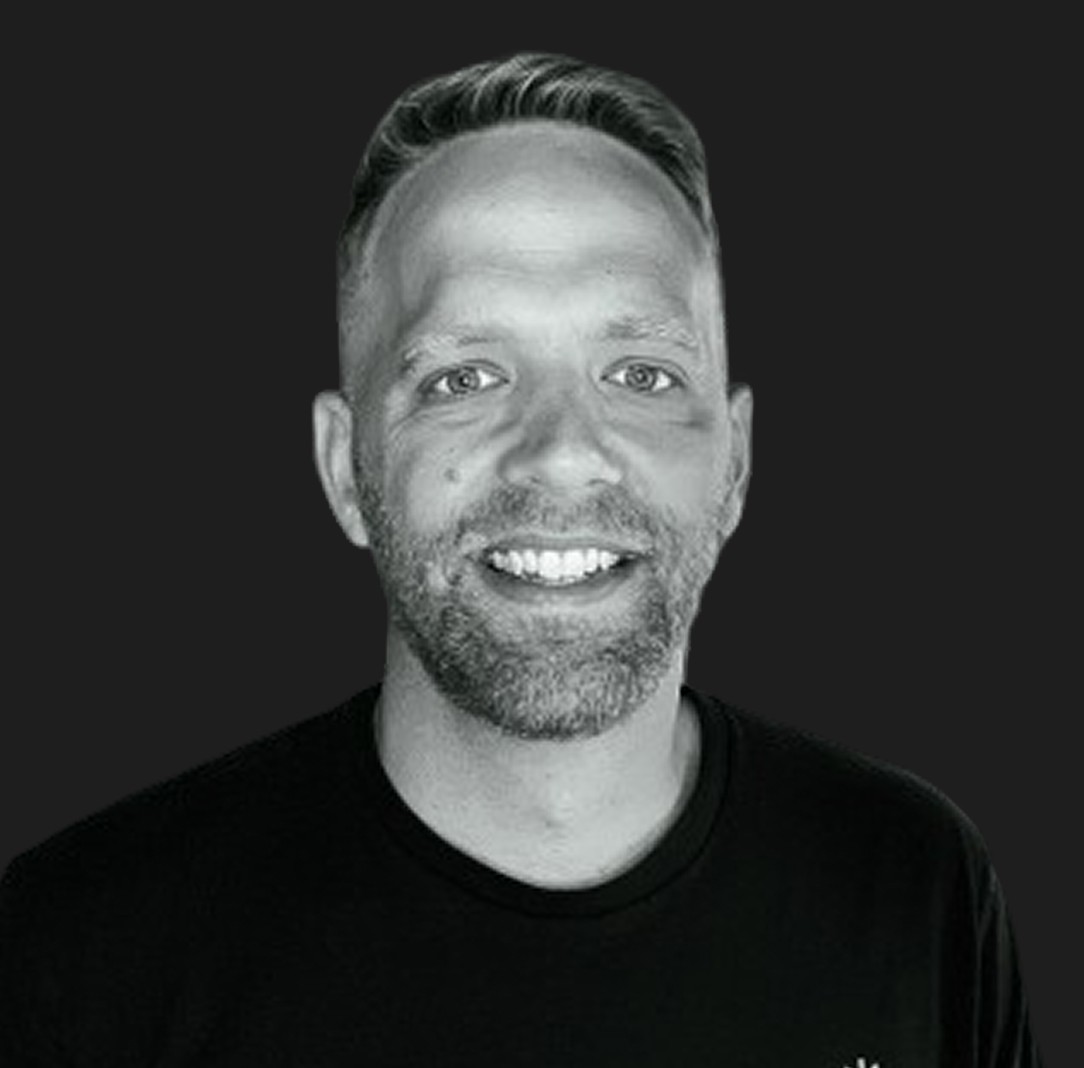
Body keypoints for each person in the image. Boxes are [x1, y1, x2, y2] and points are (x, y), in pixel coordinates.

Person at [0, 52, 1041, 1065]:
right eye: (463, 378)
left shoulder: (912, 885)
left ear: (734, 465)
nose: (563, 449)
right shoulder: (79, 955)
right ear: (345, 468)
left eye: (639, 372)